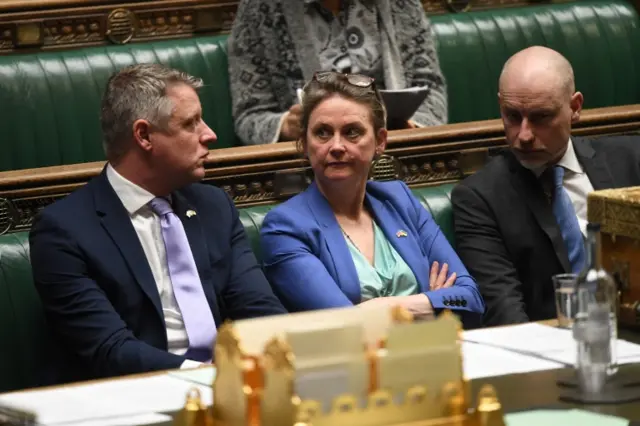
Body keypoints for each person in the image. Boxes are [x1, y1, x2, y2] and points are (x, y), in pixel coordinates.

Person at [29, 63, 287, 381]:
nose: (209, 134)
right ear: (144, 135)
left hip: (233, 387)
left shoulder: (214, 207)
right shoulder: (64, 232)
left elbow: (262, 313)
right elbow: (110, 350)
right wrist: (211, 377)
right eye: (191, 123)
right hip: (136, 397)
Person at [260, 71, 484, 327]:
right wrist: (431, 301)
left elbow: (470, 298)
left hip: (430, 353)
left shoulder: (399, 200)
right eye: (322, 132)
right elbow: (347, 325)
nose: (336, 146)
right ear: (304, 143)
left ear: (380, 141)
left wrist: (381, 308)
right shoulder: (285, 227)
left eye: (352, 132)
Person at [451, 46, 640, 327]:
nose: (524, 135)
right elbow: (505, 313)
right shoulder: (479, 198)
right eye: (512, 116)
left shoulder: (631, 161)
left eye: (541, 117)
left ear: (575, 108)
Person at [227, 0, 447, 146]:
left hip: (397, 152)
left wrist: (411, 131)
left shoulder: (400, 4)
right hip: (311, 166)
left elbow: (430, 87)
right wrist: (286, 125)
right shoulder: (259, 8)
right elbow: (250, 115)